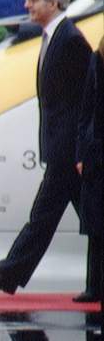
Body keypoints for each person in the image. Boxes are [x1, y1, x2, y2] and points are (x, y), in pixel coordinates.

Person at [0, 0, 93, 297]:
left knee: (43, 216)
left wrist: (79, 149)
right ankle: (95, 287)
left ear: (53, 3)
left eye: (33, 0)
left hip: (68, 150)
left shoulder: (71, 40)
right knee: (92, 219)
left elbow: (86, 101)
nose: (26, 5)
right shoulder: (53, 37)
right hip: (62, 147)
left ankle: (7, 273)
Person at [76, 35, 103, 310]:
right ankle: (93, 286)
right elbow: (87, 109)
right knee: (95, 224)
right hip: (96, 153)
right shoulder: (97, 58)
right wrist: (81, 153)